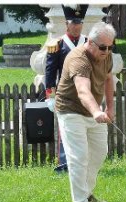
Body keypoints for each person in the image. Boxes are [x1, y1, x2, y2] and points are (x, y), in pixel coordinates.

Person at [54, 21, 115, 202]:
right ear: (90, 42)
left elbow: (108, 78)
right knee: (78, 156)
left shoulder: (107, 55)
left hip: (93, 110)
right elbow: (82, 91)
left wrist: (110, 107)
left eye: (110, 47)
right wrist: (97, 111)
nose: (106, 51)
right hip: (70, 110)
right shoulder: (78, 59)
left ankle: (87, 193)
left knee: (99, 152)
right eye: (103, 47)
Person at [45, 4, 88, 174]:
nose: (76, 26)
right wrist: (50, 96)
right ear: (66, 23)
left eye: (79, 22)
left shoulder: (88, 43)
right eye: (73, 22)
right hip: (66, 95)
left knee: (86, 127)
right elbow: (50, 72)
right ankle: (65, 162)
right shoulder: (58, 45)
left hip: (86, 93)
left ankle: (84, 162)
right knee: (66, 129)